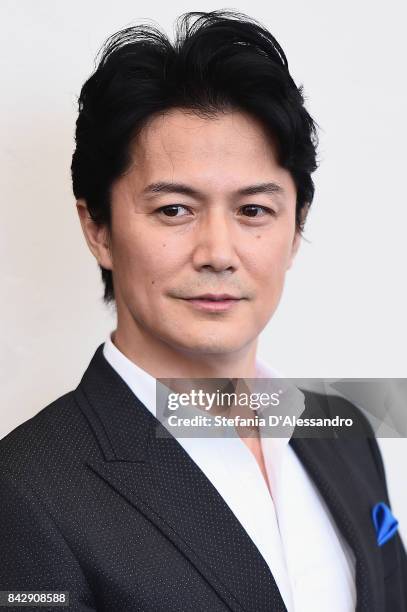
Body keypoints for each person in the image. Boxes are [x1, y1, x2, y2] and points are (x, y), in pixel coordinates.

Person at [0, 10, 405, 612]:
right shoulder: (26, 491)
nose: (218, 253)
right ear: (98, 228)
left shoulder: (340, 429)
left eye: (254, 211)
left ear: (296, 229)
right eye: (173, 210)